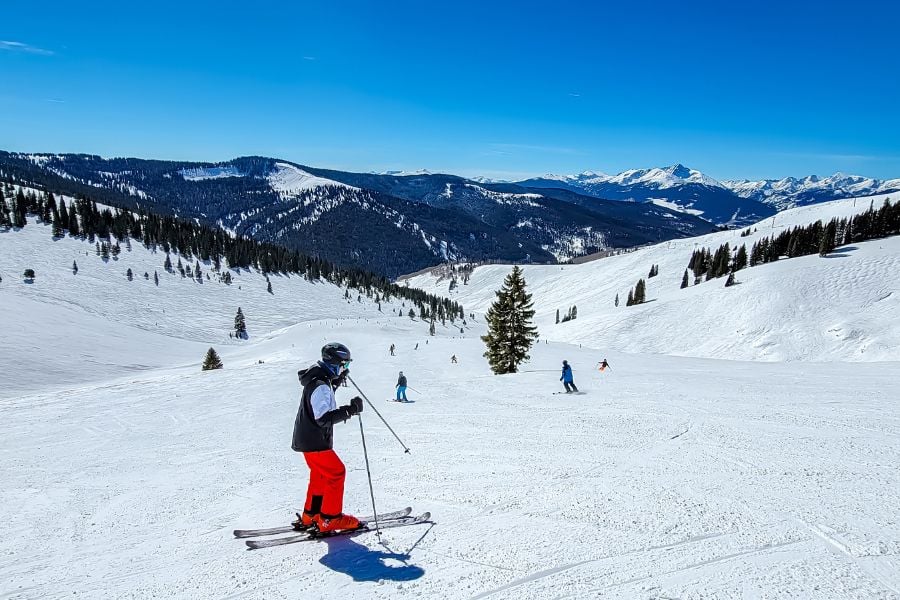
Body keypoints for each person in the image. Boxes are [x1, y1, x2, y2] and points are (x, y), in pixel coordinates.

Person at [291, 342, 364, 533]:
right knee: (337, 473)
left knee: (321, 476)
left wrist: (337, 382)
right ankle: (330, 519)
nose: (345, 368)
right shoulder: (321, 385)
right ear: (335, 363)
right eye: (344, 365)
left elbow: (322, 400)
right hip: (316, 442)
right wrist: (350, 410)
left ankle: (311, 516)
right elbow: (323, 418)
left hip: (308, 439)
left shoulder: (318, 380)